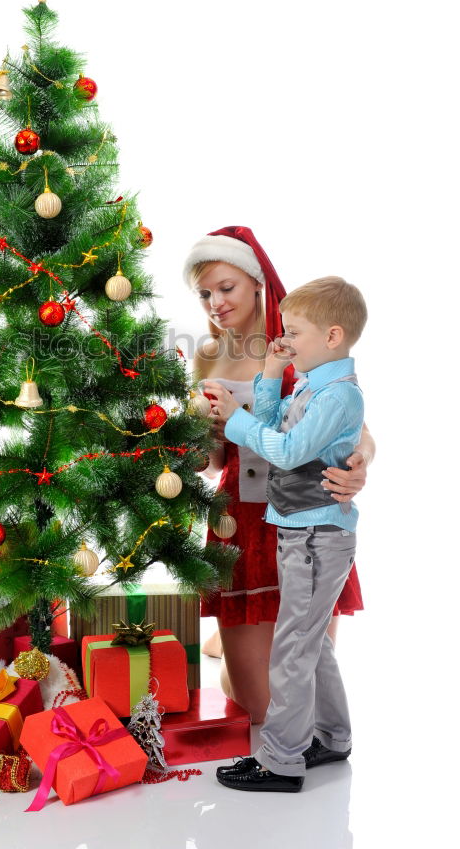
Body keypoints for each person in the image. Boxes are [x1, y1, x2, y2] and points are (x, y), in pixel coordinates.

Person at [183, 227, 374, 722]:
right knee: (263, 710)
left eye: (226, 288)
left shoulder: (296, 339)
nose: (215, 303)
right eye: (204, 294)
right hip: (238, 520)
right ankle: (232, 661)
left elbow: (358, 426)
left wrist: (359, 466)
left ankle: (234, 655)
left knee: (303, 697)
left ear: (254, 282)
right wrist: (190, 436)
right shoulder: (205, 353)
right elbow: (213, 464)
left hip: (308, 515)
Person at [205, 275, 367, 791]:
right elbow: (274, 424)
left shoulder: (338, 396)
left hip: (317, 535)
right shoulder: (311, 384)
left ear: (333, 337)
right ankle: (333, 738)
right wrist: (271, 374)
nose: (286, 339)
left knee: (292, 646)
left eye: (294, 332)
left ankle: (280, 760)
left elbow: (287, 452)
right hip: (301, 531)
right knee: (311, 641)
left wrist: (234, 418)